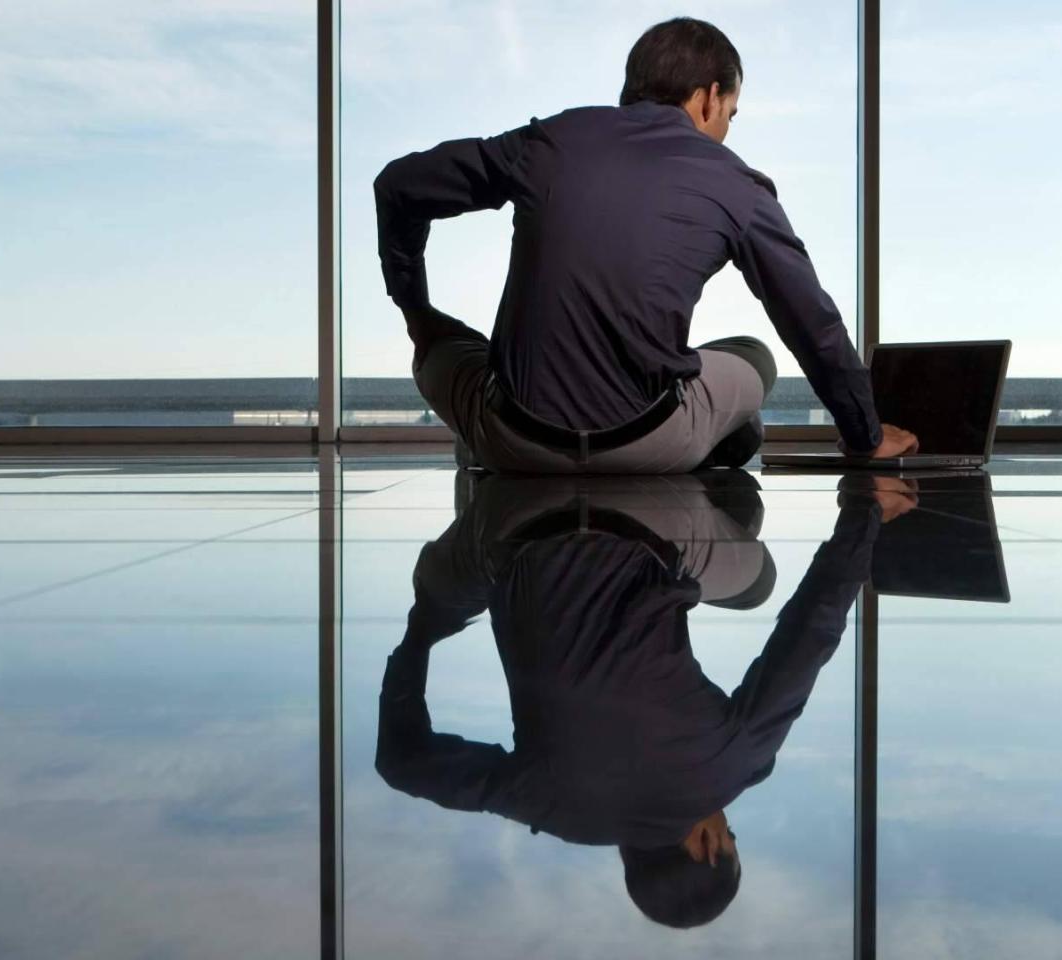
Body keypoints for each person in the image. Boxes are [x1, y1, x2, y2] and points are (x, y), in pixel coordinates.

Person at [374, 16, 920, 473]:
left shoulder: (551, 140)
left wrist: (416, 310)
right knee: (754, 355)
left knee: (441, 346)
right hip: (647, 445)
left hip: (513, 441)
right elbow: (811, 321)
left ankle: (479, 449)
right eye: (731, 114)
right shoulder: (737, 185)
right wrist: (865, 436)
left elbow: (399, 185)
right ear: (709, 99)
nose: (727, 128)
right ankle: (710, 438)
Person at [375, 471, 916, 928]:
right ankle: (490, 464)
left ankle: (713, 461)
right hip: (511, 523)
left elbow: (812, 630)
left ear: (706, 848)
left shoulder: (734, 764)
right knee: (442, 583)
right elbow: (400, 764)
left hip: (644, 518)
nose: (726, 820)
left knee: (754, 575)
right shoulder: (556, 809)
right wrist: (417, 641)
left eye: (729, 834)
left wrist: (864, 509)